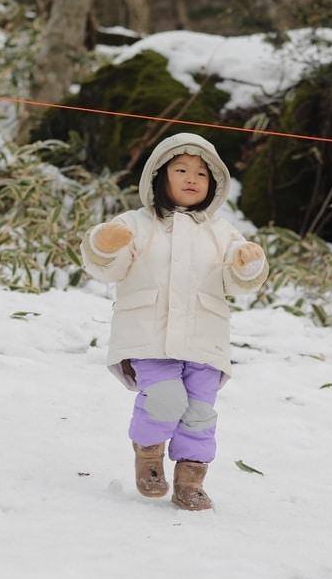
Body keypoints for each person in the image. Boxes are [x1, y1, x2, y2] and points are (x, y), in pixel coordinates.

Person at [81, 132, 269, 510]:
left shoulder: (221, 232)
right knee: (166, 399)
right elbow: (109, 268)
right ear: (159, 177)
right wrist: (104, 245)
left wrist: (249, 264)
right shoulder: (137, 223)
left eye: (201, 173)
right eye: (181, 169)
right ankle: (148, 452)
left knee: (200, 411)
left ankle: (190, 478)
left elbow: (236, 279)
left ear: (214, 183)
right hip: (150, 335)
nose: (191, 178)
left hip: (204, 337)